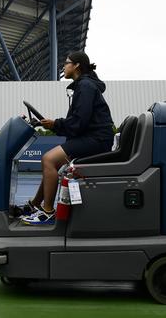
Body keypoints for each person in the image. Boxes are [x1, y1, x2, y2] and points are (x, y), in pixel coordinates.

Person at [22, 51, 114, 225]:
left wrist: (55, 124)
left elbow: (79, 122)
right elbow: (77, 122)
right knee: (52, 163)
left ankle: (48, 212)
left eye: (66, 63)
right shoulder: (83, 86)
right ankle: (35, 205)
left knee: (48, 159)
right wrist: (51, 124)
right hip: (93, 137)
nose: (64, 66)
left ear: (76, 66)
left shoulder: (85, 86)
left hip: (97, 139)